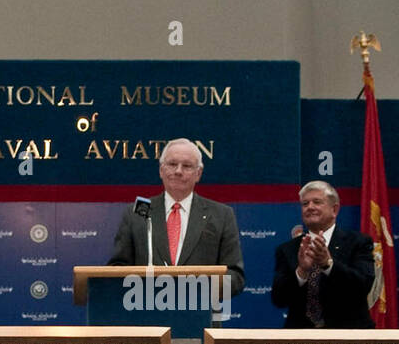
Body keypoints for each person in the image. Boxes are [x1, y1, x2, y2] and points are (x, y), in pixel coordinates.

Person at [107, 137, 245, 296]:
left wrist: (195, 289)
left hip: (199, 314)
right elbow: (116, 268)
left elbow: (235, 276)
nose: (178, 171)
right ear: (161, 170)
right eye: (172, 164)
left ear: (198, 173)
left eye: (186, 166)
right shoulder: (137, 212)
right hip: (145, 313)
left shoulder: (221, 214)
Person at [271, 180, 375, 329]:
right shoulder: (288, 249)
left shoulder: (358, 243)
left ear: (335, 210)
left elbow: (362, 286)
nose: (310, 207)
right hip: (300, 338)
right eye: (305, 204)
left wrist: (328, 265)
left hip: (348, 336)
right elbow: (279, 299)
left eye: (317, 202)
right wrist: (301, 272)